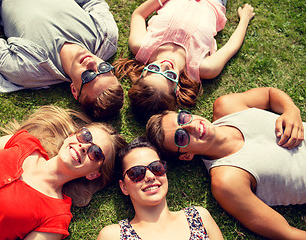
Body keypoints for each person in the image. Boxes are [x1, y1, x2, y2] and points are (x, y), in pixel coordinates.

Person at [146, 87, 306, 239]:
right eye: (181, 137)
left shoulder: (227, 106)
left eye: (183, 118)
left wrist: (291, 110)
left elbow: (270, 95)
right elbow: (287, 233)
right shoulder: (226, 182)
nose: (191, 126)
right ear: (187, 156)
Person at [0, 106, 126, 239]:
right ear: (72, 135)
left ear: (94, 174)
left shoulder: (56, 216)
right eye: (85, 136)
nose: (84, 146)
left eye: (96, 153)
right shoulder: (24, 142)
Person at [0, 0, 124, 120]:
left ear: (74, 90)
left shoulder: (29, 70)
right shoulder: (105, 36)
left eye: (88, 76)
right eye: (104, 69)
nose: (92, 63)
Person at [113, 0, 254, 121]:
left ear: (142, 73)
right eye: (170, 76)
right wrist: (245, 19)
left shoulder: (141, 46)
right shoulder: (203, 68)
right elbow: (231, 46)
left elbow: (138, 15)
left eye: (154, 69)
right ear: (177, 89)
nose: (165, 66)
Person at [97, 137, 224, 240]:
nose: (150, 176)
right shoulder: (114, 236)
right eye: (136, 173)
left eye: (156, 168)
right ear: (124, 187)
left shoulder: (199, 217)